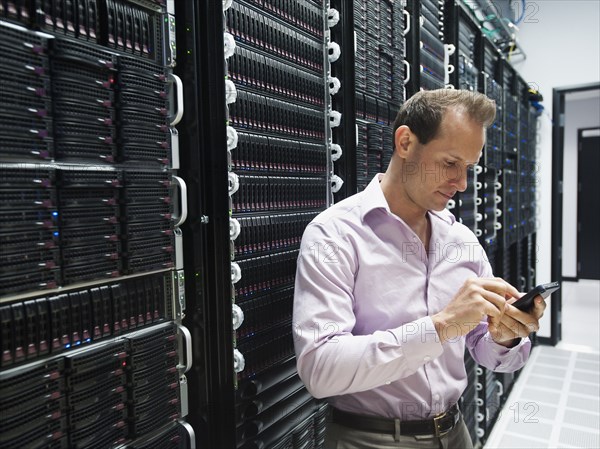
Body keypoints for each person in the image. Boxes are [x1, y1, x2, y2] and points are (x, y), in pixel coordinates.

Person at [292, 89, 546, 449]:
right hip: (371, 439)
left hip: (454, 434)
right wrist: (441, 327)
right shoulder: (335, 235)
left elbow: (488, 353)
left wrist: (505, 335)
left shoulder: (461, 241)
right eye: (450, 163)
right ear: (406, 142)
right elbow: (320, 370)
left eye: (468, 168)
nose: (462, 184)